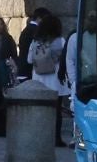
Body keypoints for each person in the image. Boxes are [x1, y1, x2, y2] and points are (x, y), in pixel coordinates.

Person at [26, 11, 68, 146]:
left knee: (39, 111)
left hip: (38, 79)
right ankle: (56, 139)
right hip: (55, 80)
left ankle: (39, 137)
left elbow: (29, 60)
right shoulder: (60, 42)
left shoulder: (35, 42)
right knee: (56, 112)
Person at [16, 7, 49, 80]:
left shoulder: (27, 29)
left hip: (23, 68)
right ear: (39, 18)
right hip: (30, 70)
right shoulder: (36, 31)